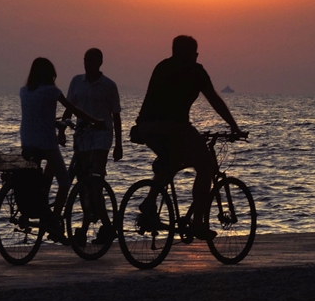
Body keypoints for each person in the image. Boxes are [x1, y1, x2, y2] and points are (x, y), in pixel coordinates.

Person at [133, 35, 246, 240]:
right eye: (194, 53)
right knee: (206, 166)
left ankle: (149, 204)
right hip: (174, 127)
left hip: (146, 128)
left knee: (170, 161)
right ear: (192, 54)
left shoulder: (162, 66)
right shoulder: (195, 71)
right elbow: (213, 99)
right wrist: (233, 127)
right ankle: (198, 223)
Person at [20, 57, 99, 242]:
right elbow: (74, 109)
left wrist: (55, 123)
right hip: (46, 143)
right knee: (64, 181)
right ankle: (55, 222)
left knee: (45, 175)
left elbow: (37, 115)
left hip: (27, 142)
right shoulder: (52, 91)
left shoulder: (24, 91)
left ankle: (43, 207)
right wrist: (96, 121)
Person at [62, 48, 122, 245]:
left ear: (99, 63)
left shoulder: (109, 85)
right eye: (85, 60)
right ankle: (94, 227)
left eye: (91, 61)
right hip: (82, 136)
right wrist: (62, 129)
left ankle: (103, 226)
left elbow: (116, 116)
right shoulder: (76, 82)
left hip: (102, 136)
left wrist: (119, 145)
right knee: (83, 185)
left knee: (95, 179)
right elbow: (69, 107)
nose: (87, 64)